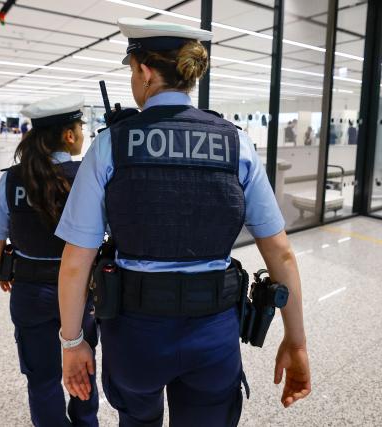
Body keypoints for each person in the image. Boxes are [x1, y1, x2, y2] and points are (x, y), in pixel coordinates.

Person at [55, 18, 311, 426]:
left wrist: (73, 342)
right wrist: (295, 341)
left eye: (130, 71)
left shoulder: (110, 145)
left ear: (144, 71)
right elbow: (280, 251)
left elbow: (74, 263)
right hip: (212, 333)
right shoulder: (236, 142)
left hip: (134, 334)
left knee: (138, 418)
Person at [0, 94, 99, 427]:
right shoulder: (88, 178)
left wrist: (6, 271)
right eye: (79, 127)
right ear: (69, 135)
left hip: (30, 290)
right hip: (82, 292)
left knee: (42, 377)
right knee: (82, 366)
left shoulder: (12, 179)